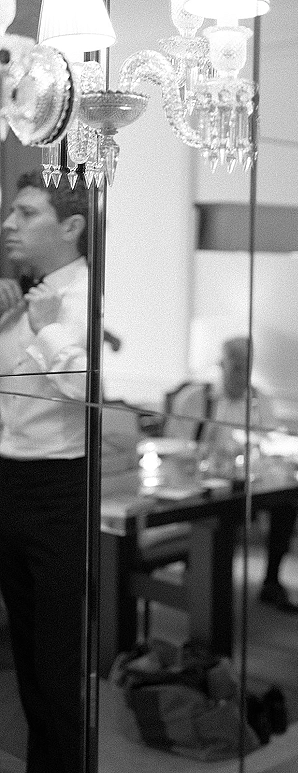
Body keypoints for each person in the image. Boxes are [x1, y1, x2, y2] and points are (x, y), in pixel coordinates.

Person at [0, 170, 89, 773]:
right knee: (22, 657)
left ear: (70, 227)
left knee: (55, 663)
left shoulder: (89, 298)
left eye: (27, 213)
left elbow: (80, 391)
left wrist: (51, 324)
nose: (9, 224)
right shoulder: (11, 294)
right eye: (12, 213)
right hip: (4, 479)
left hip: (58, 487)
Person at [165, 336, 298, 614]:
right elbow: (175, 447)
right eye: (236, 367)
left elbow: (271, 443)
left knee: (288, 504)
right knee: (220, 517)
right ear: (221, 365)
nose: (242, 375)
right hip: (201, 483)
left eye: (247, 367)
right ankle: (208, 588)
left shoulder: (259, 399)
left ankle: (271, 581)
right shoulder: (195, 399)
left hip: (247, 482)